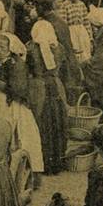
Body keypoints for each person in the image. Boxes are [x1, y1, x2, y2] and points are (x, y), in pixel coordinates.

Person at [0, 32, 44, 185]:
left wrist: (5, 87)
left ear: (10, 47)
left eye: (2, 47)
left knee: (22, 136)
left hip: (13, 104)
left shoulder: (17, 64)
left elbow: (20, 88)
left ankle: (25, 172)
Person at [27, 19, 69, 174]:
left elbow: (28, 70)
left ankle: (44, 162)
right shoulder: (58, 47)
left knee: (42, 124)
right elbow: (63, 69)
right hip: (55, 86)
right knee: (58, 123)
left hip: (39, 88)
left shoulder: (31, 48)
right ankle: (58, 162)